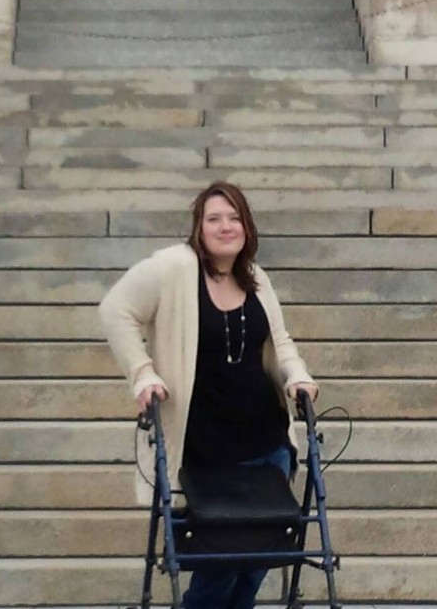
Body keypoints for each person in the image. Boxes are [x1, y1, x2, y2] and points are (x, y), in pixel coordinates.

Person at [99, 180, 318, 609]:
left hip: (266, 445)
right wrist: (143, 375)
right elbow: (116, 309)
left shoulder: (255, 278)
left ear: (247, 227)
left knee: (256, 564)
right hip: (207, 452)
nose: (225, 227)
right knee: (217, 570)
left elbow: (280, 342)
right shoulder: (173, 268)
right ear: (198, 228)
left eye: (234, 218)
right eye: (214, 218)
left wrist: (297, 375)